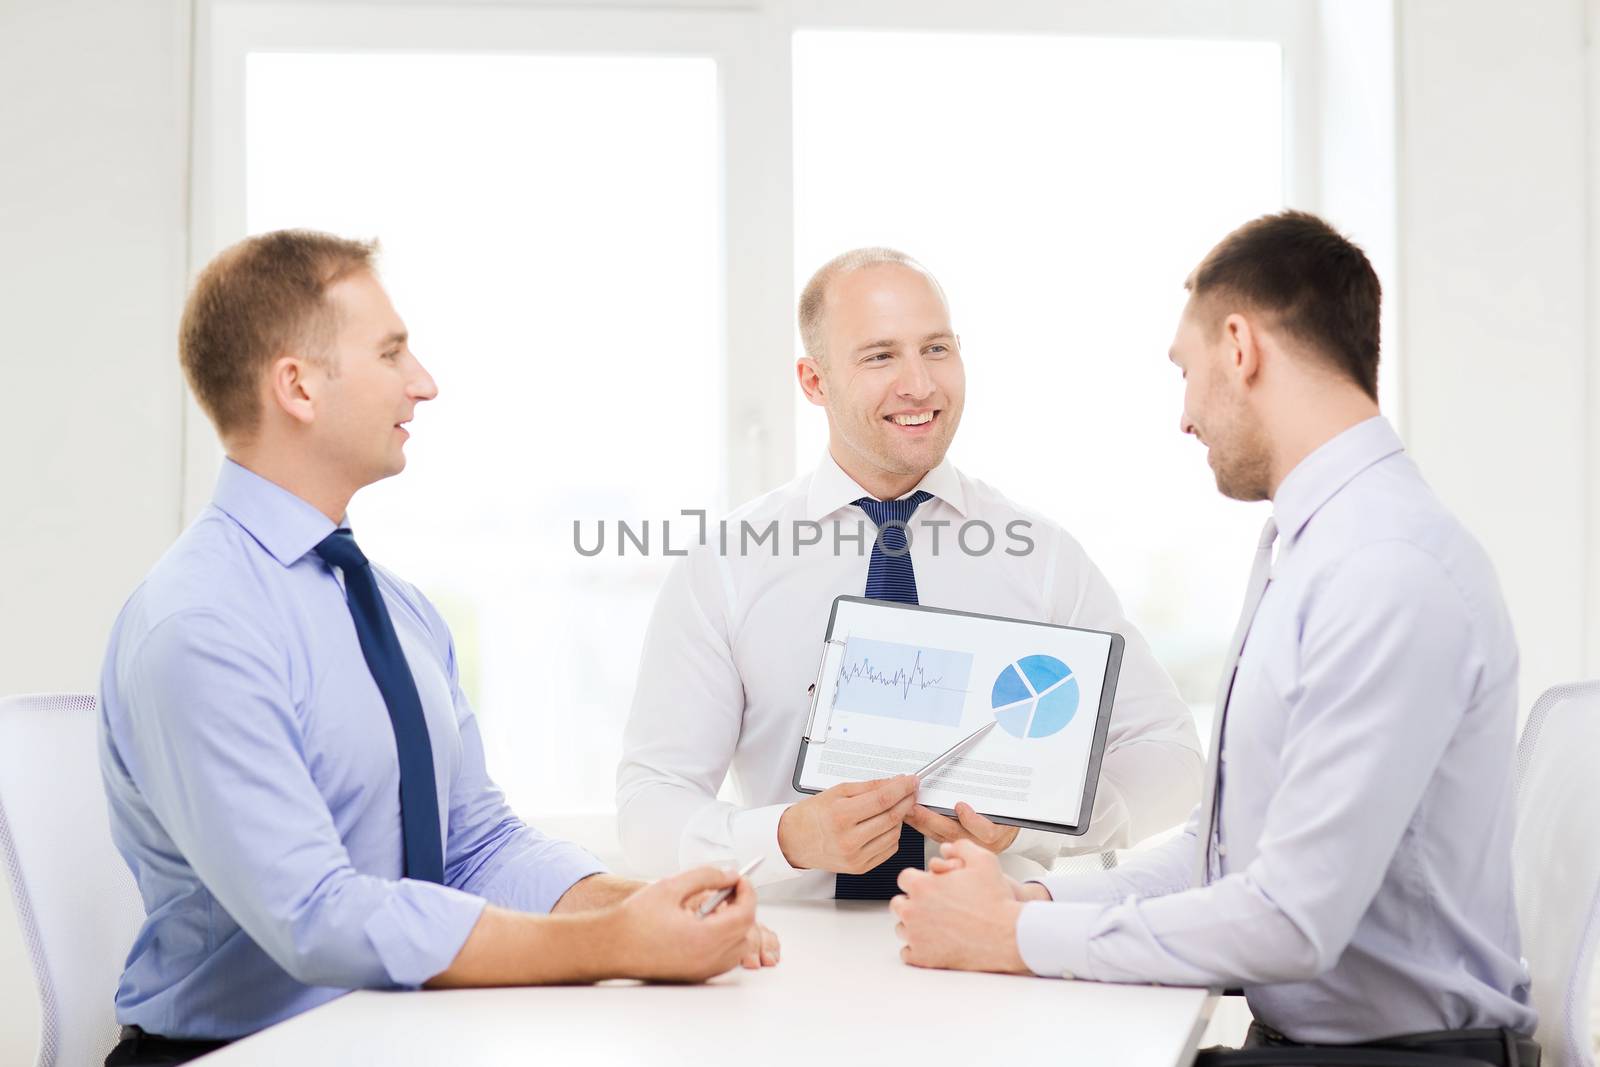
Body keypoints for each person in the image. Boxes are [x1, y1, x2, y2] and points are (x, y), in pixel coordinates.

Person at [99, 231, 776, 1066]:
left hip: (396, 1039)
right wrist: (615, 945)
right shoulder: (200, 625)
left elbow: (476, 845)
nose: (423, 382)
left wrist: (655, 905)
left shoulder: (398, 609)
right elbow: (318, 917)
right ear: (298, 385)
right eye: (391, 352)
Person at [889, 211, 1538, 1065]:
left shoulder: (1384, 567)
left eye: (1186, 372)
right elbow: (1220, 858)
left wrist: (1017, 939)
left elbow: (1288, 920)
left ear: (1240, 347)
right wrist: (1028, 905)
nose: (1185, 417)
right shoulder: (1309, 548)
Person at [617, 247, 1202, 900]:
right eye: (880, 356)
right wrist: (784, 837)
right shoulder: (726, 567)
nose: (920, 385)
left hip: (1001, 959)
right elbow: (649, 806)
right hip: (793, 971)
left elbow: (1172, 759)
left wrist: (1042, 819)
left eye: (936, 349)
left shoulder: (1042, 559)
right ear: (814, 381)